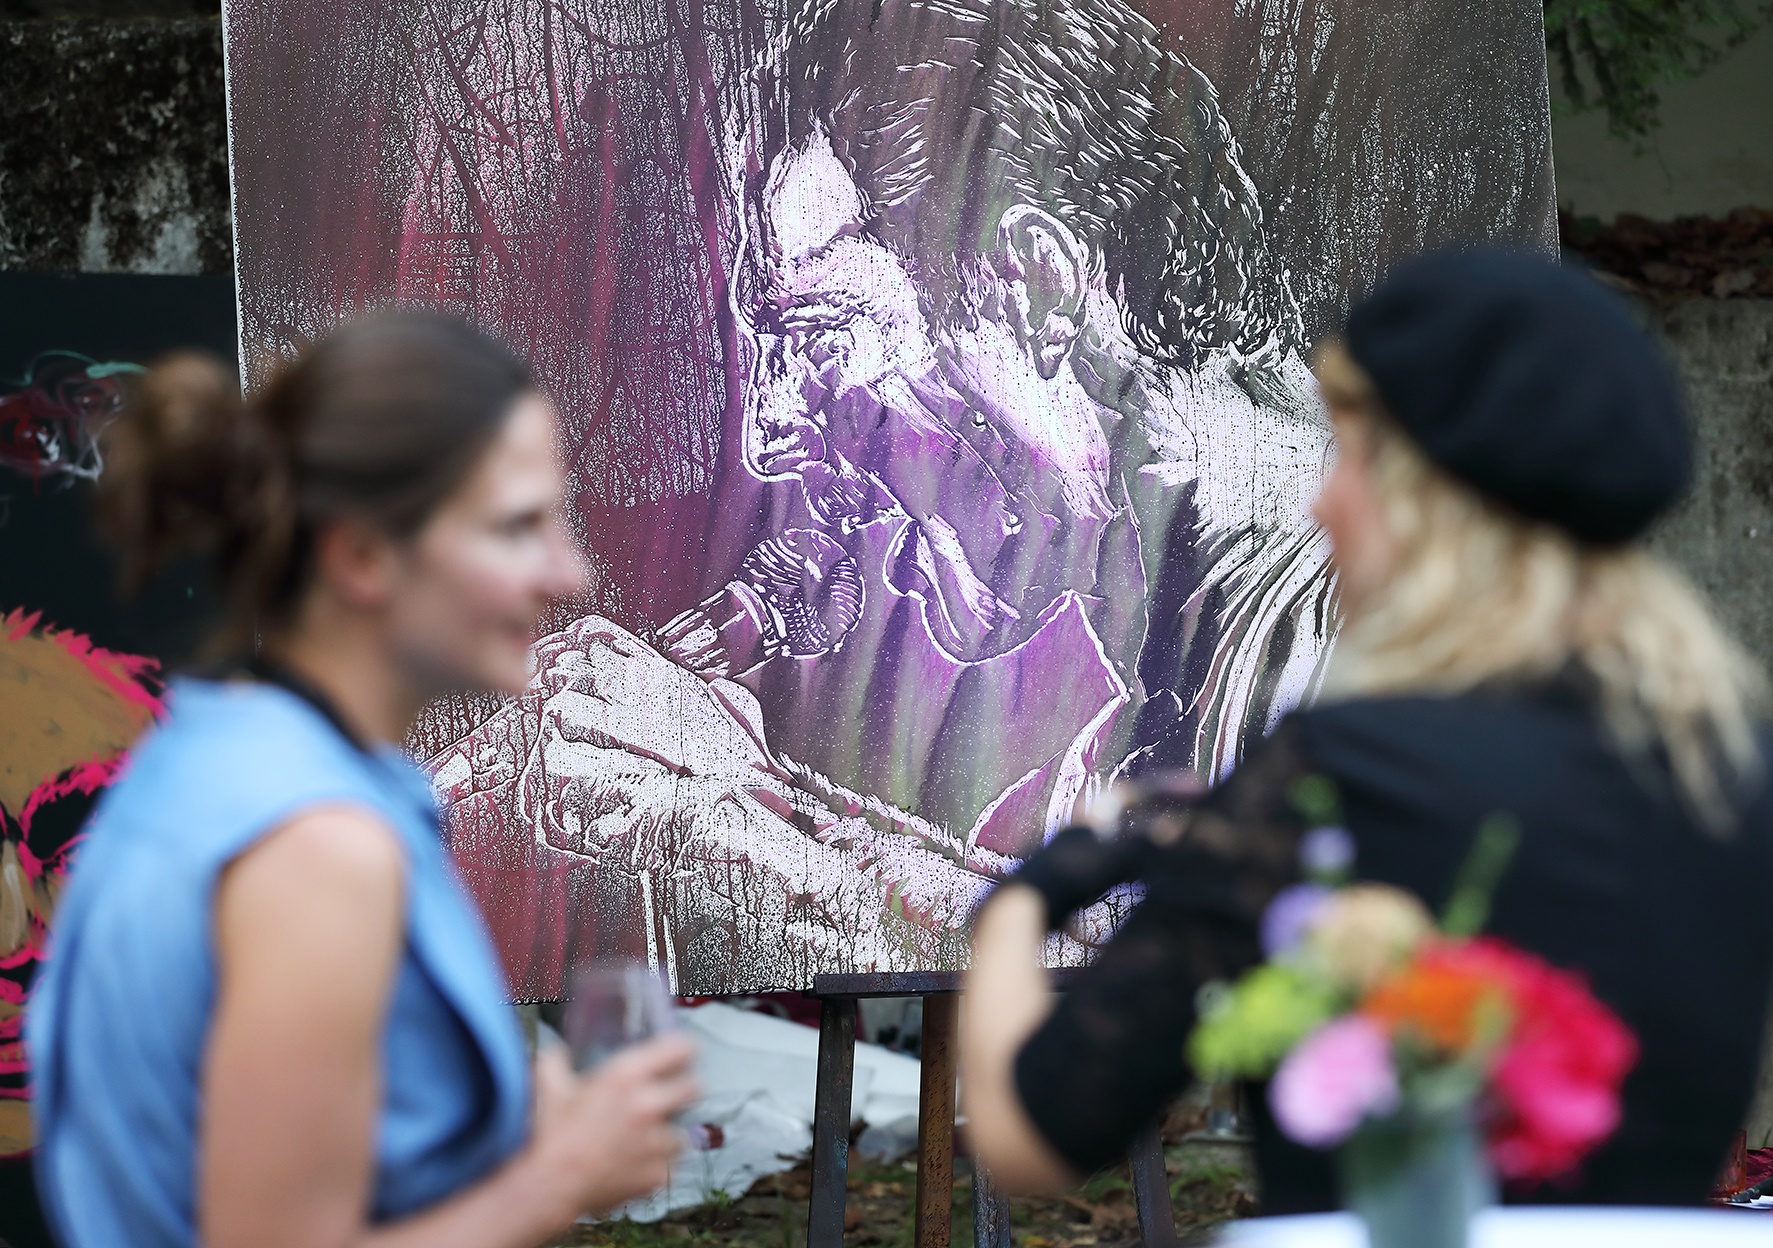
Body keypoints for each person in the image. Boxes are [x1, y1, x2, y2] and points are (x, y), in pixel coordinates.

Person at [430, 0, 1334, 998]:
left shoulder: (1368, 615)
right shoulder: (1190, 675)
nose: (771, 438)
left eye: (820, 338)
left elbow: (1212, 1001)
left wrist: (725, 817)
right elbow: (1097, 965)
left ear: (1036, 286)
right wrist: (730, 794)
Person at [960, 247, 1773, 1207]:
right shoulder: (1741, 778)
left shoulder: (1341, 779)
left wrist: (1030, 896)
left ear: (1436, 497)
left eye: (1356, 458)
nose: (1324, 502)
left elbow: (1028, 1140)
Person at [27, 312, 699, 1248]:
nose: (571, 574)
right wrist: (557, 1178)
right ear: (360, 554)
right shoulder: (317, 847)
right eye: (518, 526)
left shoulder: (220, 756)